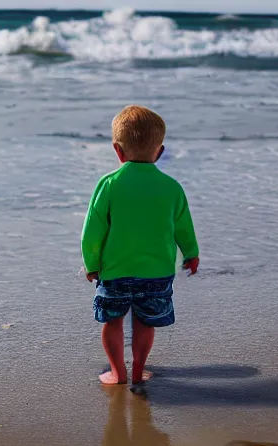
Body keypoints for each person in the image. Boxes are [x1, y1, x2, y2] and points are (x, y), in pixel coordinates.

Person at [81, 105, 199, 386]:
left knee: (113, 323)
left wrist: (92, 264)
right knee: (145, 324)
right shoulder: (171, 187)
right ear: (159, 150)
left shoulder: (108, 184)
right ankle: (137, 371)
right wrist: (191, 254)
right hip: (156, 273)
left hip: (115, 272)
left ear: (118, 150)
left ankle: (118, 373)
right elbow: (184, 227)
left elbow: (93, 231)